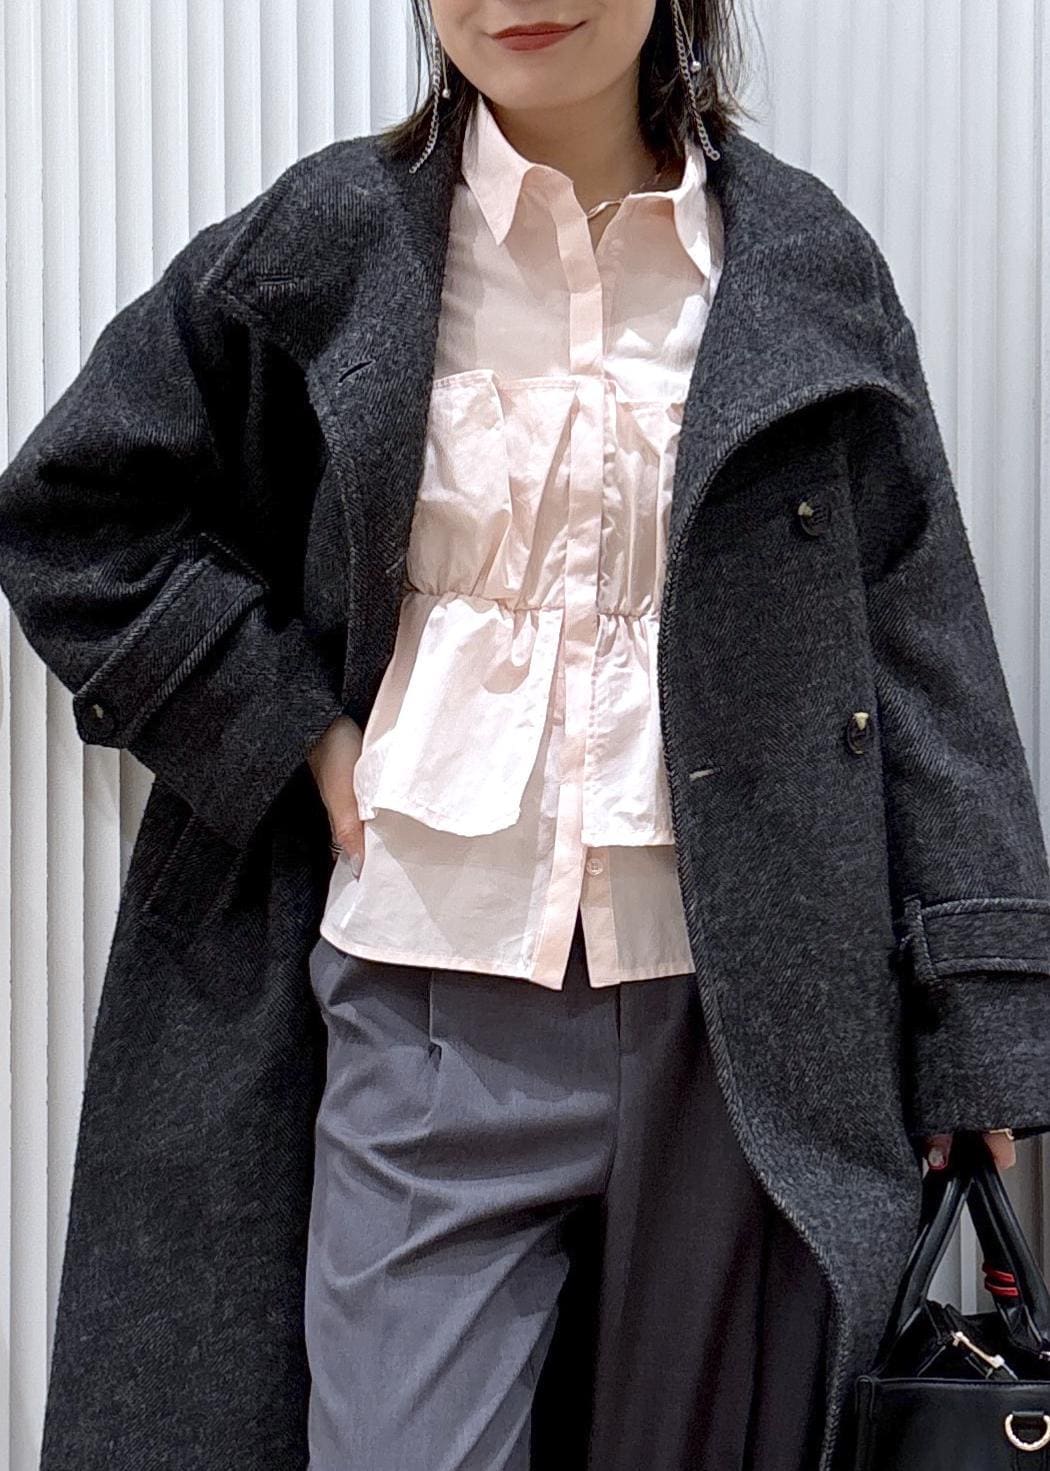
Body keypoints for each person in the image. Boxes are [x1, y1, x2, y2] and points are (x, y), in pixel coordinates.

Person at [2, 3, 1048, 1470]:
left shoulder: (805, 264)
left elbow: (918, 646)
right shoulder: (334, 241)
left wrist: (980, 1026)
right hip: (426, 999)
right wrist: (294, 732)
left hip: (749, 1030)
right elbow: (75, 514)